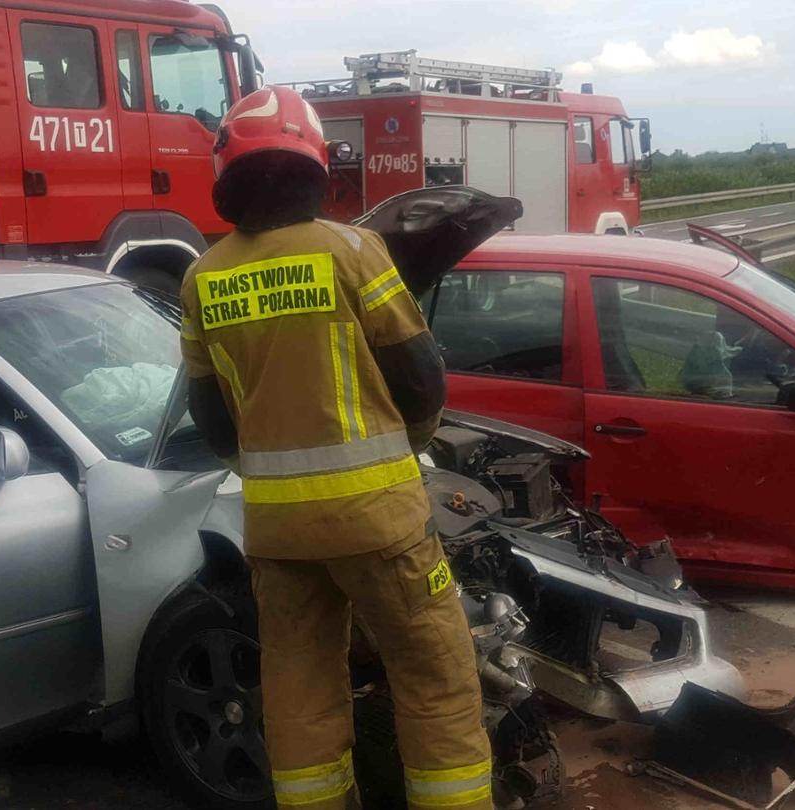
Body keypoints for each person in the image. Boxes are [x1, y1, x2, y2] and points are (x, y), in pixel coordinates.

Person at [177, 86, 492, 810]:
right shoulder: (354, 250)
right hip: (378, 524)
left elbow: (210, 416)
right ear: (315, 165)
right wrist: (407, 447)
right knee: (433, 675)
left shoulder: (202, 276)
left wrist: (264, 470)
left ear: (229, 171)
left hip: (276, 533)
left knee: (298, 690)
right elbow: (421, 377)